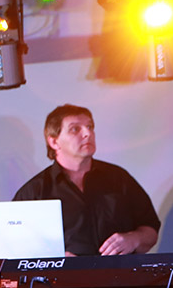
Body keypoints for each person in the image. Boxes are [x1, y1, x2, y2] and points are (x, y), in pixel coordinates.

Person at [14, 104, 160, 256]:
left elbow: (151, 229)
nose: (87, 133)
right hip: (67, 272)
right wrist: (54, 258)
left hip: (120, 270)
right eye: (75, 129)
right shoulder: (34, 192)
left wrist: (134, 239)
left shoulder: (119, 178)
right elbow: (16, 247)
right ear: (54, 142)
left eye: (90, 127)